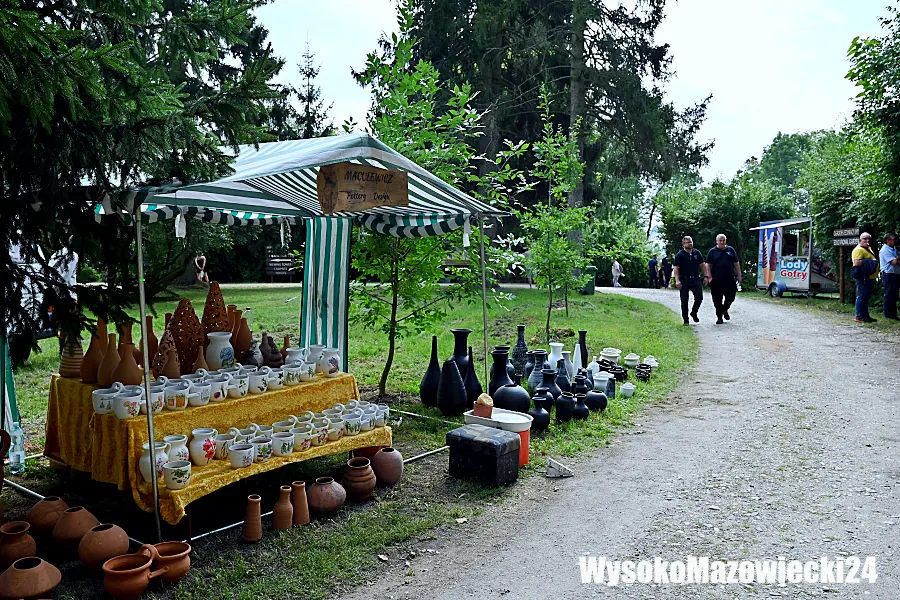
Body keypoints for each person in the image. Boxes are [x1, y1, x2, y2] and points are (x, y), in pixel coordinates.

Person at [706, 234, 742, 325]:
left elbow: (736, 263)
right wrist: (709, 277)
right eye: (720, 240)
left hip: (729, 279)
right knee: (717, 299)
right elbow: (707, 265)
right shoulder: (712, 251)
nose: (722, 242)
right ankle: (719, 317)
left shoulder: (731, 250)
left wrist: (739, 275)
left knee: (731, 297)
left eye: (723, 240)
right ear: (716, 241)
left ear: (726, 240)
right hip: (716, 279)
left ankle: (725, 309)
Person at [673, 236, 708, 325]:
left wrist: (706, 276)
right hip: (684, 279)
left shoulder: (697, 253)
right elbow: (676, 268)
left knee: (699, 297)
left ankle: (694, 312)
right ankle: (685, 319)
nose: (690, 244)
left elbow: (702, 265)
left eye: (691, 242)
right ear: (683, 244)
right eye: (688, 242)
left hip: (695, 278)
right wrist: (677, 280)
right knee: (684, 300)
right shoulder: (680, 255)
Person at [852, 232, 879, 323]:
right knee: (862, 296)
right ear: (860, 240)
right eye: (865, 239)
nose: (867, 240)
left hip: (869, 277)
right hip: (863, 277)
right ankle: (859, 316)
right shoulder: (858, 250)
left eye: (869, 239)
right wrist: (872, 262)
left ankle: (865, 316)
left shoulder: (868, 248)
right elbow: (857, 263)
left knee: (866, 297)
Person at [879, 233, 899, 320]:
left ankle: (893, 314)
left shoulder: (894, 249)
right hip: (888, 274)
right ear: (888, 241)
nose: (895, 241)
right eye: (893, 239)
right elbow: (894, 262)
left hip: (895, 274)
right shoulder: (884, 250)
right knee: (889, 294)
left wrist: (897, 258)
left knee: (894, 295)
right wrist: (897, 259)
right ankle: (888, 314)